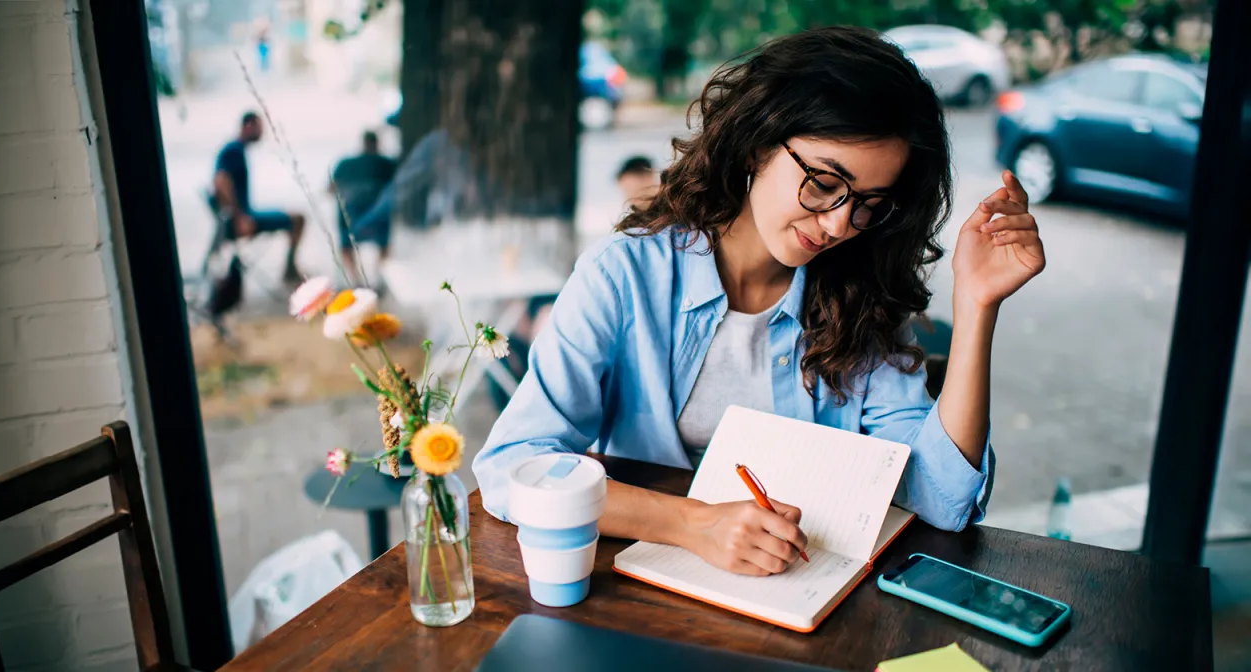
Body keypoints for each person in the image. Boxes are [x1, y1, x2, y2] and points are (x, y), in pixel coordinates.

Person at [474, 27, 1046, 578]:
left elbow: (942, 500)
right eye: (823, 182)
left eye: (869, 202)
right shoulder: (624, 276)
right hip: (642, 590)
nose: (840, 223)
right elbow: (512, 468)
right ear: (755, 144)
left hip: (800, 595)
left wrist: (976, 307)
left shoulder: (859, 297)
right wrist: (693, 524)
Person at [212, 111, 306, 284]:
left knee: (295, 215)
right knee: (298, 219)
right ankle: (290, 271)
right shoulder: (233, 150)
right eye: (259, 127)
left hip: (244, 214)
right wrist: (239, 218)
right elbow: (220, 181)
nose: (262, 133)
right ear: (248, 126)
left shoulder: (235, 149)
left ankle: (290, 270)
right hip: (243, 218)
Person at [330, 131, 399, 285]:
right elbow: (398, 188)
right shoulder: (387, 164)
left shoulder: (345, 164)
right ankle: (378, 278)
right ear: (377, 144)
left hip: (353, 220)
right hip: (378, 221)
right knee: (384, 239)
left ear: (363, 143)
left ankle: (356, 280)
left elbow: (330, 189)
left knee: (345, 234)